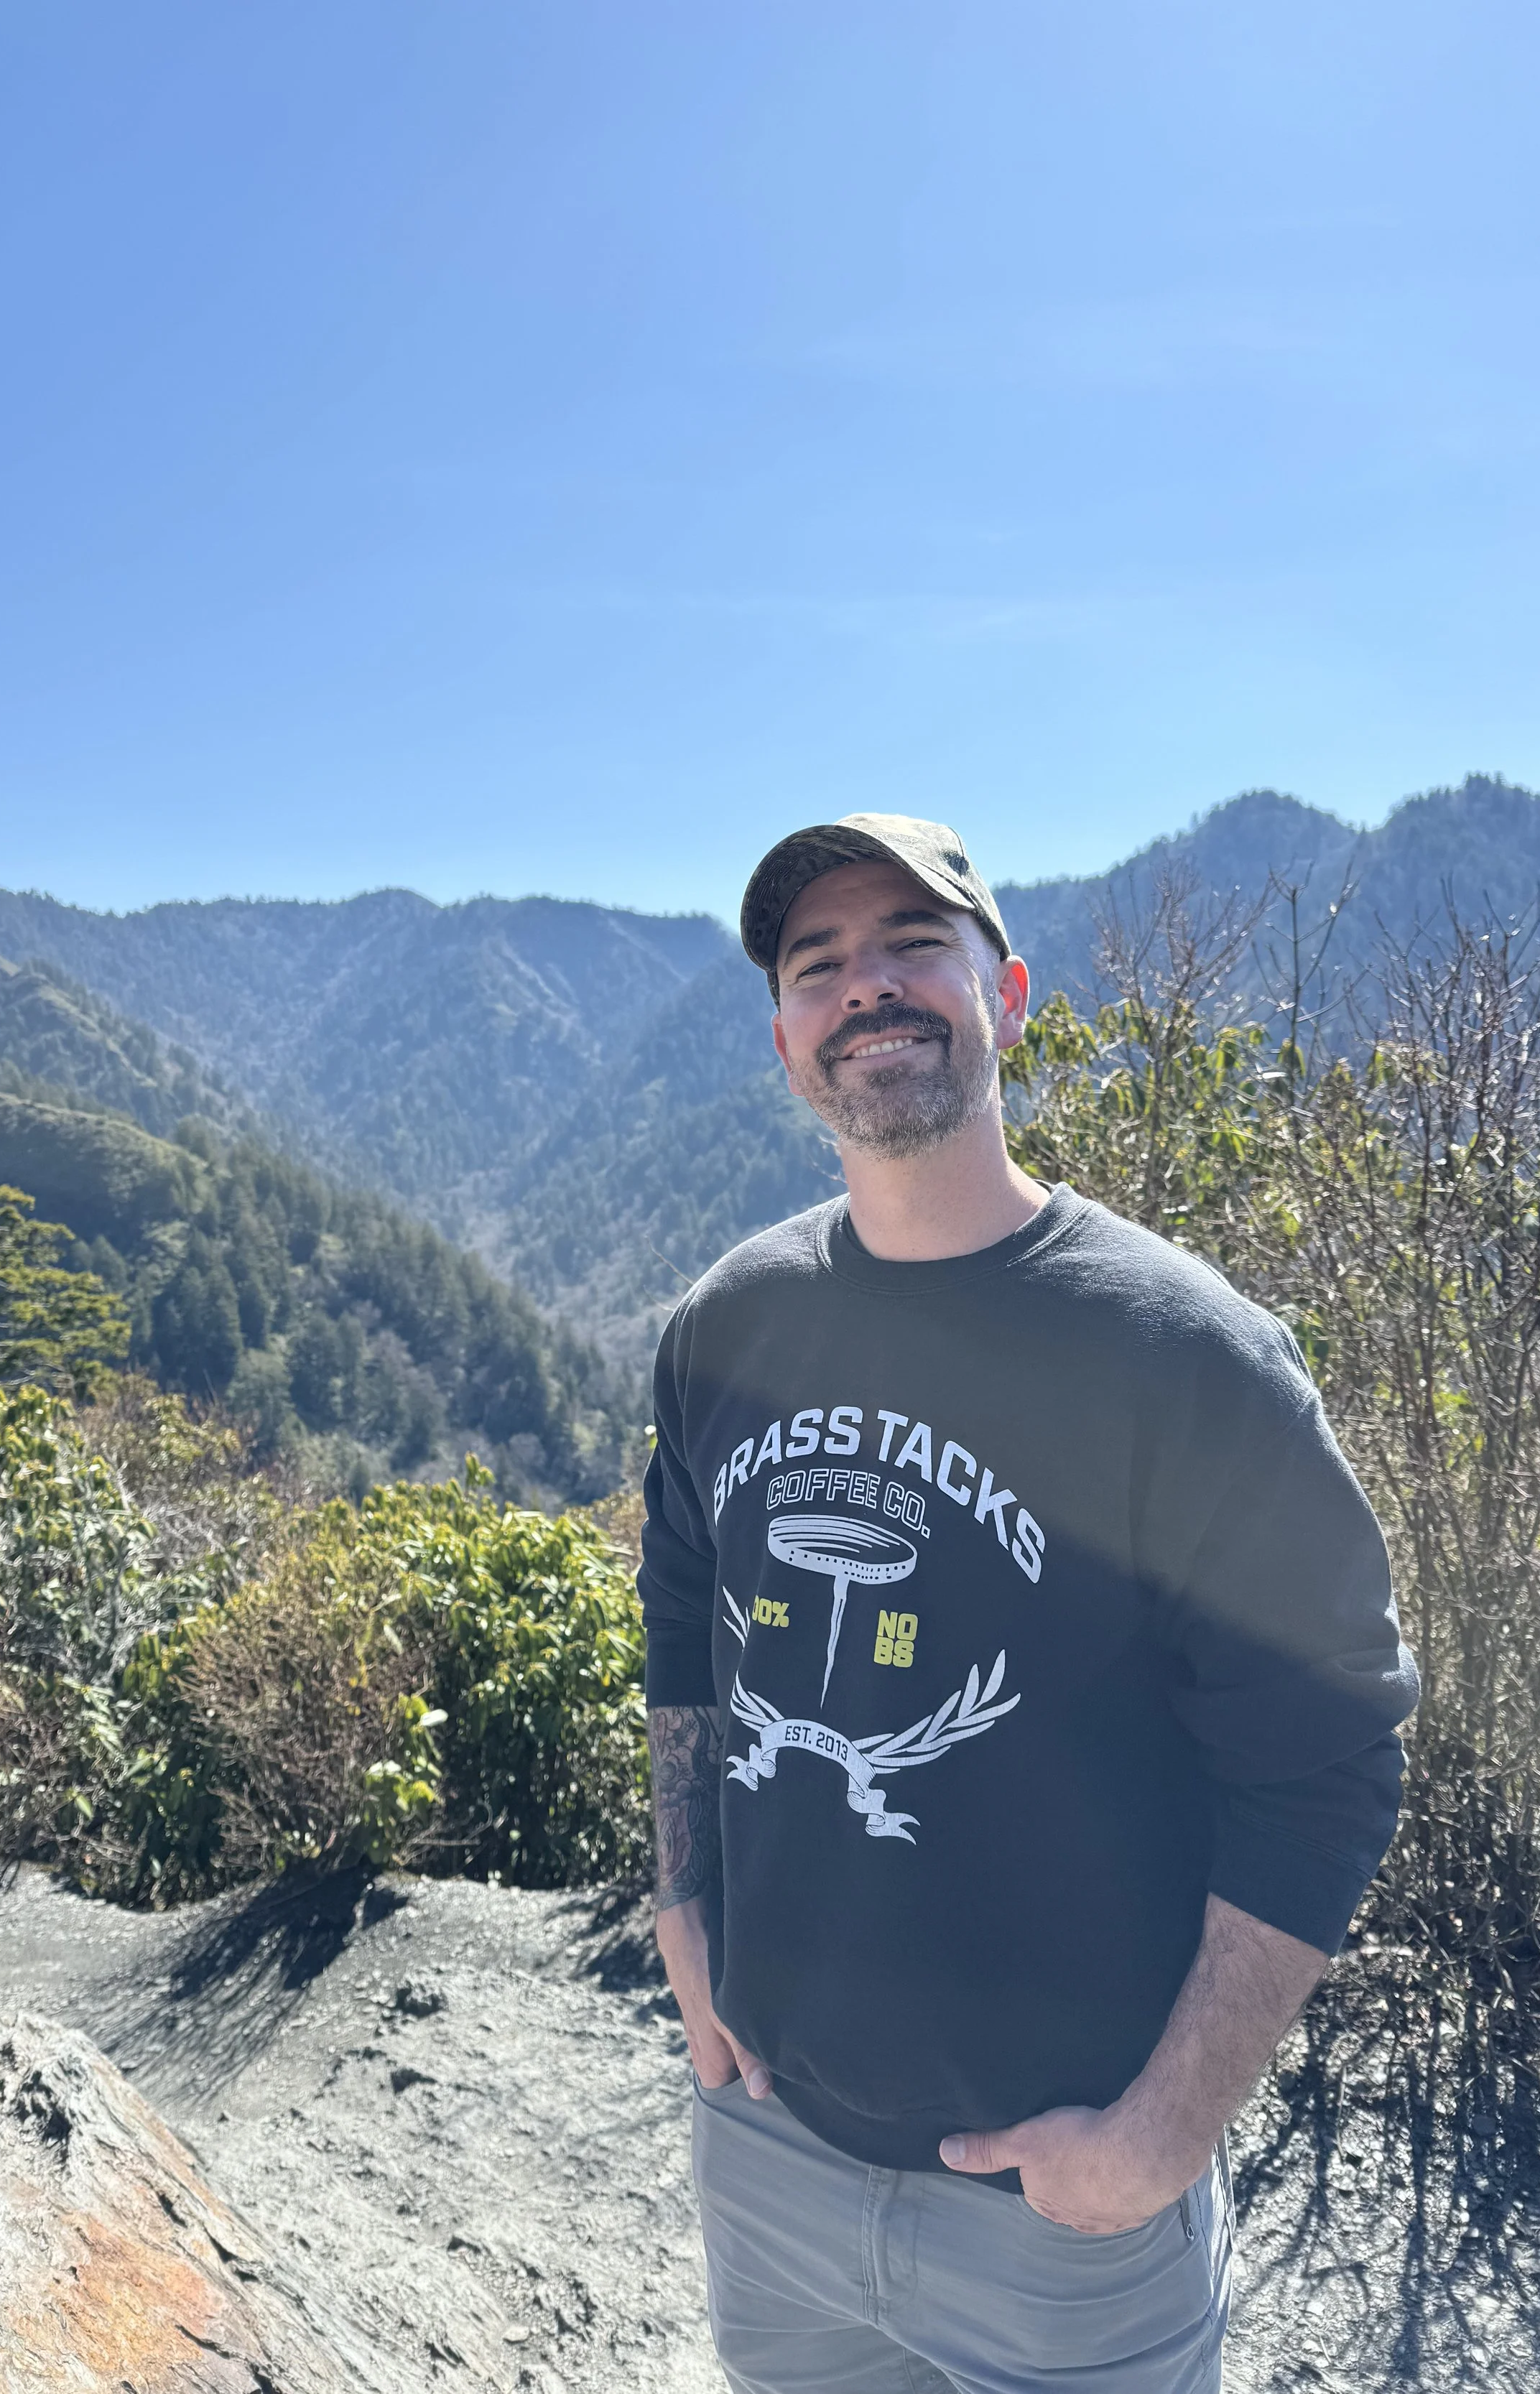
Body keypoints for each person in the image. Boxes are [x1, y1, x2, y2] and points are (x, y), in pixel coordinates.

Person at [636, 813, 1418, 2394]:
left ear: (1005, 993)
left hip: (1061, 2221)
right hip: (768, 2149)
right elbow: (683, 1622)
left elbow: (1328, 1759)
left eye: (911, 944)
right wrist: (681, 1912)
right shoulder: (727, 1328)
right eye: (817, 966)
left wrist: (1160, 2136)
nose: (867, 987)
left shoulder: (1181, 1355)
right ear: (784, 1039)